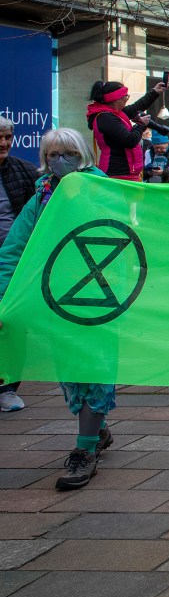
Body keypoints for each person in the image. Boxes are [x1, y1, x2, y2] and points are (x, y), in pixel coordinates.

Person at [0, 129, 114, 488]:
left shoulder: (105, 191)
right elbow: (15, 248)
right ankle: (96, 428)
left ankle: (85, 450)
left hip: (101, 299)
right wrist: (5, 298)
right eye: (51, 155)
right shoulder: (42, 196)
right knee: (71, 371)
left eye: (66, 153)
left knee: (93, 367)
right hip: (58, 299)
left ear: (82, 154)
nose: (58, 160)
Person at [0, 118, 39, 412]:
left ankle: (7, 387)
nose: (4, 143)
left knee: (12, 324)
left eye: (8, 137)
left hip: (14, 262)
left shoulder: (25, 172)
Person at [85, 79, 165, 181]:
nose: (127, 99)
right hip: (117, 174)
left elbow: (136, 107)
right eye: (126, 96)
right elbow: (129, 140)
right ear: (115, 99)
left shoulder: (114, 113)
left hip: (127, 173)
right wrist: (140, 124)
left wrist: (154, 92)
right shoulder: (106, 117)